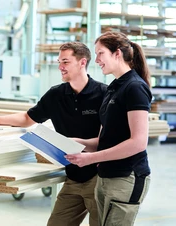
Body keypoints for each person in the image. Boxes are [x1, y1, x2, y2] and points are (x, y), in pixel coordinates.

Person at [0, 42, 107, 226]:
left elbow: (107, 139)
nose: (60, 67)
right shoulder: (56, 94)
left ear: (83, 62)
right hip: (73, 177)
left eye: (65, 61)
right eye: (59, 61)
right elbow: (27, 118)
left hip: (98, 178)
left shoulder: (103, 94)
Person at [65, 31, 152, 226]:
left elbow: (138, 142)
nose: (96, 60)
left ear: (117, 53)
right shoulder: (114, 87)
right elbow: (105, 139)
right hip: (106, 176)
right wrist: (81, 144)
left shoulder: (135, 87)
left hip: (126, 176)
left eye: (100, 53)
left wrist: (90, 158)